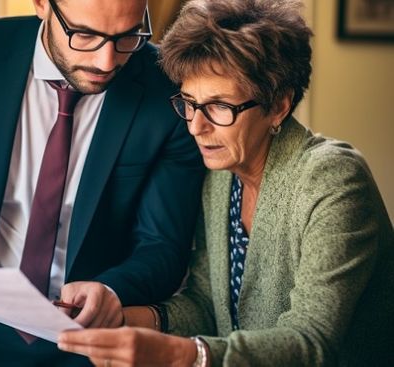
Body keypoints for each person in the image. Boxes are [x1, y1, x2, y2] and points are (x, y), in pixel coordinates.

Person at [57, 0, 394, 366]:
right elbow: (204, 302)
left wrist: (182, 355)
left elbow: (311, 341)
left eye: (220, 107)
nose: (196, 127)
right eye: (189, 103)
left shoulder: (333, 180)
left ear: (278, 105)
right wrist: (119, 317)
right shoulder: (221, 175)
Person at [0, 0, 204, 366]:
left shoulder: (169, 88)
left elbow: (163, 245)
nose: (106, 62)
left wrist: (112, 290)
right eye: (85, 34)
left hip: (88, 339)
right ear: (42, 4)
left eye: (127, 36)